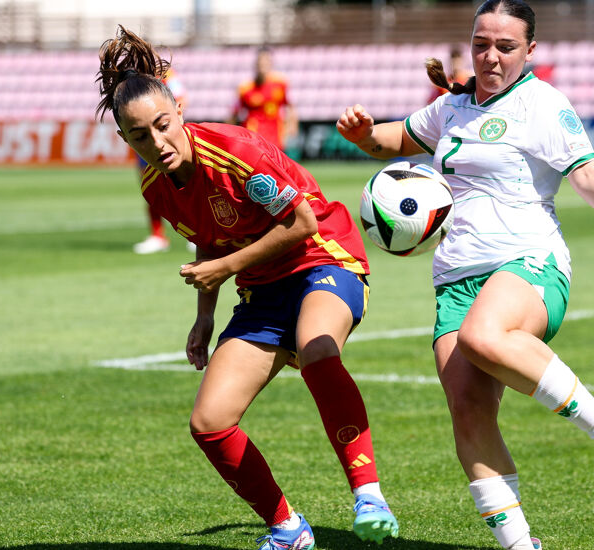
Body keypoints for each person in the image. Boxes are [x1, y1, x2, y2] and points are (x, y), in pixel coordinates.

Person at [337, 2, 594, 548]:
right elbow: (391, 141)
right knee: (468, 411)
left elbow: (590, 175)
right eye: (482, 43)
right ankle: (519, 545)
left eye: (505, 47)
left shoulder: (543, 105)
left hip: (528, 260)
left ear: (530, 51)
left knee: (482, 337)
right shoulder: (451, 107)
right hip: (454, 277)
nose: (490, 56)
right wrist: (364, 133)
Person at [96, 26, 398, 550]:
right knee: (209, 422)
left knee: (317, 350)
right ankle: (287, 529)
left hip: (323, 256)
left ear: (178, 111)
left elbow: (302, 223)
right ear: (125, 139)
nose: (157, 143)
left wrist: (227, 267)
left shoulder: (234, 149)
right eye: (140, 135)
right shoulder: (155, 184)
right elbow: (207, 243)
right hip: (261, 287)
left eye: (163, 126)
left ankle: (368, 494)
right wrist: (204, 316)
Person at [132, 67, 191, 254]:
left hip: (165, 137)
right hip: (145, 140)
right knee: (150, 186)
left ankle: (197, 233)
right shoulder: (135, 78)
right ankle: (157, 235)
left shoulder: (167, 75)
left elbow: (181, 99)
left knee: (185, 186)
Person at [233, 47, 299, 152]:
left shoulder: (280, 83)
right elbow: (234, 113)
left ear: (271, 63)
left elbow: (290, 106)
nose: (263, 64)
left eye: (266, 61)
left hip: (275, 135)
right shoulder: (245, 88)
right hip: (253, 136)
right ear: (256, 64)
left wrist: (292, 125)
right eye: (260, 61)